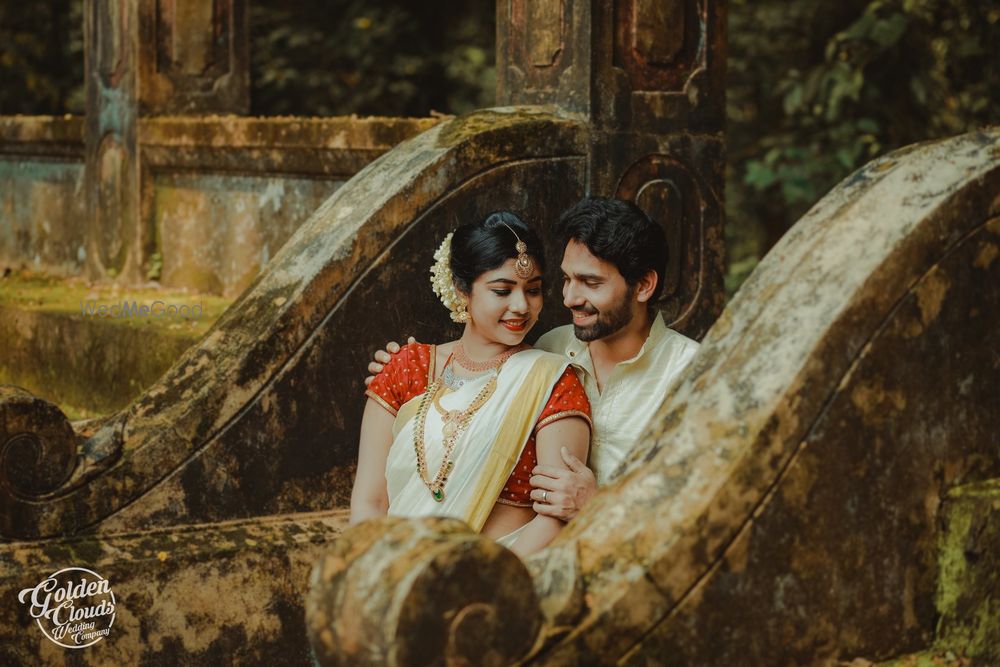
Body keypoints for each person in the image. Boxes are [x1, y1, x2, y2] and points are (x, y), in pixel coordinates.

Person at [366, 197, 699, 523]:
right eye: (567, 279)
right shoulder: (552, 346)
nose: (569, 298)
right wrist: (400, 370)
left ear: (643, 285)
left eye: (591, 283)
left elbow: (713, 505)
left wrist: (598, 505)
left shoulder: (695, 374)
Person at [351, 212, 591, 557]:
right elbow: (370, 501)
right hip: (396, 574)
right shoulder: (409, 367)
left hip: (500, 578)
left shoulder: (553, 380)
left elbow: (556, 515)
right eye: (502, 290)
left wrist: (484, 584)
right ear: (462, 289)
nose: (522, 306)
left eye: (533, 290)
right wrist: (381, 575)